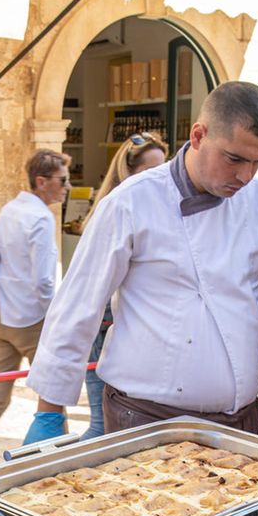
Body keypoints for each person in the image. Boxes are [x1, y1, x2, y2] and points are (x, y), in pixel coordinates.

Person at [24, 82, 258, 440]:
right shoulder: (131, 202)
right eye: (234, 159)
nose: (245, 175)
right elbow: (78, 305)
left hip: (238, 420)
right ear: (199, 135)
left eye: (257, 161)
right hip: (143, 418)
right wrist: (49, 410)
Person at [0, 151, 69, 470]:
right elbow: (45, 280)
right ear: (42, 181)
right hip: (33, 321)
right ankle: (55, 463)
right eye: (62, 180)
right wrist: (57, 317)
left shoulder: (10, 209)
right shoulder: (41, 218)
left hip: (3, 318)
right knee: (53, 399)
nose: (66, 187)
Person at [79, 131, 169, 441]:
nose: (159, 179)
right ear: (128, 173)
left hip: (128, 335)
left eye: (163, 169)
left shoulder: (157, 211)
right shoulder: (114, 211)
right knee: (100, 427)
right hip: (107, 332)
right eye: (150, 171)